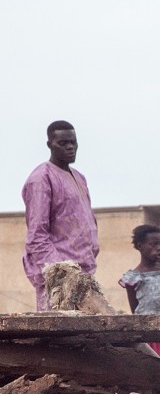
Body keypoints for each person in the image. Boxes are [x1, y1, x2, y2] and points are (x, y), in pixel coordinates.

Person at [21, 122, 99, 310]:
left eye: (73, 142)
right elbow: (37, 236)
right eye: (63, 143)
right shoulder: (41, 178)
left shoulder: (79, 177)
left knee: (87, 337)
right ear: (50, 144)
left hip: (84, 276)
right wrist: (62, 272)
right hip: (58, 279)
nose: (70, 147)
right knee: (60, 336)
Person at [119, 224, 160, 360]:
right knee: (149, 364)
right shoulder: (133, 278)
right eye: (153, 244)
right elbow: (135, 310)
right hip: (145, 332)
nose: (158, 248)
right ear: (140, 246)